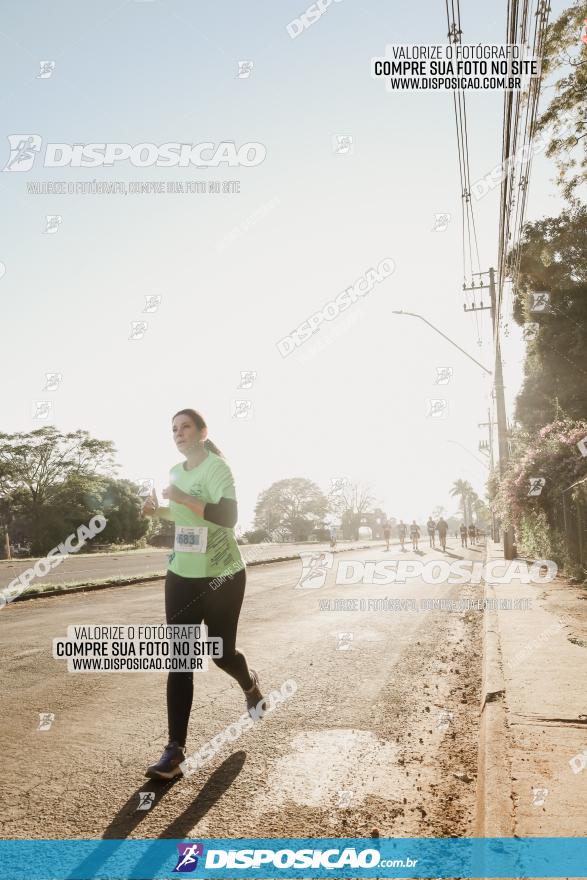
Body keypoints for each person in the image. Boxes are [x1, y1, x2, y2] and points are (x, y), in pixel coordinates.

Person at [141, 408, 265, 780]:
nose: (178, 433)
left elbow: (227, 518)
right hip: (182, 574)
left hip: (223, 575)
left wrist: (179, 495)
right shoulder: (176, 472)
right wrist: (158, 510)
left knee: (220, 652)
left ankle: (250, 685)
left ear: (202, 432)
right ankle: (174, 752)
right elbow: (185, 517)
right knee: (180, 658)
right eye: (173, 429)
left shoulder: (217, 469)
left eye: (185, 427)